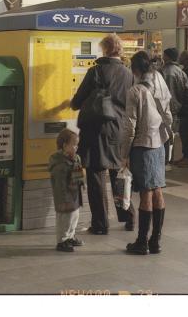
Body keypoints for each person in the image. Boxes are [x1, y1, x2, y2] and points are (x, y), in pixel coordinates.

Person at [69, 33, 136, 234]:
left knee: (96, 176)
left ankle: (100, 223)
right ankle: (128, 215)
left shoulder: (95, 71)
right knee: (118, 174)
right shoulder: (129, 74)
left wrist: (74, 103)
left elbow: (77, 101)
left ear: (105, 49)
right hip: (118, 129)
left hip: (95, 129)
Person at [120, 51, 173, 255]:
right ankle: (155, 241)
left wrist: (124, 153)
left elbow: (129, 127)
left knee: (145, 193)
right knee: (157, 189)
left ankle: (142, 241)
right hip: (159, 143)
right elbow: (168, 113)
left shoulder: (134, 91)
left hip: (142, 146)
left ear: (135, 70)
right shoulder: (160, 79)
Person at [49, 129, 85, 252]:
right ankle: (62, 240)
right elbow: (59, 184)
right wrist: (63, 199)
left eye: (77, 144)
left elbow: (79, 175)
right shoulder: (60, 163)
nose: (77, 147)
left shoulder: (75, 158)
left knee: (74, 216)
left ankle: (70, 236)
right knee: (64, 218)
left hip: (74, 194)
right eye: (74, 145)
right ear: (65, 146)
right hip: (64, 196)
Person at [161, 47, 188, 168]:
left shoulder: (162, 72)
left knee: (162, 135)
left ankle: (163, 160)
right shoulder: (181, 72)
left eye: (164, 55)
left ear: (167, 57)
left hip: (163, 108)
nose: (162, 57)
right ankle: (169, 160)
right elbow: (186, 91)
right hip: (176, 109)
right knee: (171, 135)